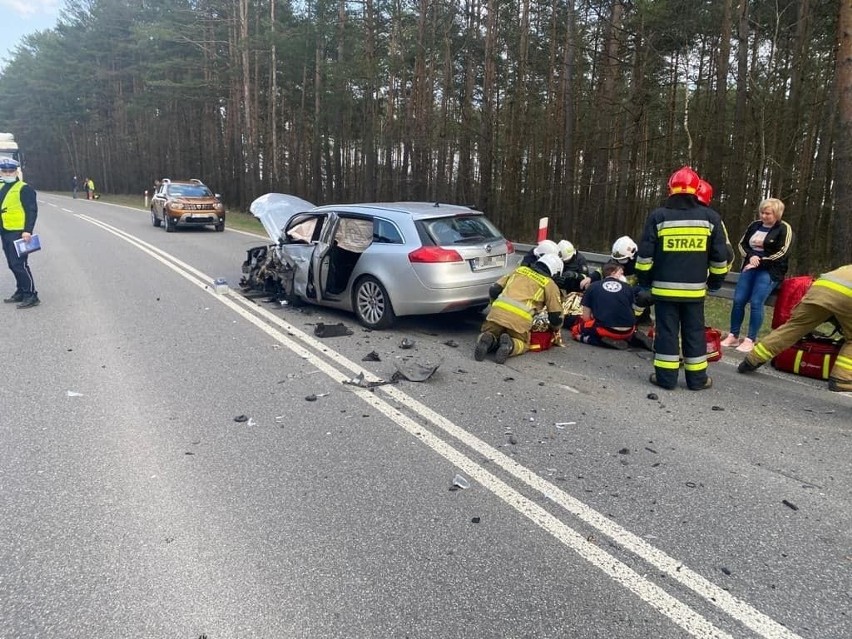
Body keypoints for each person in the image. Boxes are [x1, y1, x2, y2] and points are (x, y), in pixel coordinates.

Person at [635, 166, 729, 390]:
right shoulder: (710, 218)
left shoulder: (658, 217)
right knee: (694, 334)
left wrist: (645, 282)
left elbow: (644, 256)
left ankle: (666, 379)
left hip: (664, 291)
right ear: (696, 189)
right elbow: (720, 258)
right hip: (695, 292)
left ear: (670, 189)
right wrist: (714, 283)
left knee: (666, 333)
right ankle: (697, 380)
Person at [738, 264, 851, 392]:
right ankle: (842, 380)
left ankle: (752, 360)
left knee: (794, 328)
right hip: (847, 297)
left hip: (819, 289)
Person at [720, 198, 793, 353]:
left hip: (770, 269)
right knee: (739, 300)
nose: (764, 216)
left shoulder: (784, 228)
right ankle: (733, 335)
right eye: (762, 212)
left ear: (777, 214)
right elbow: (742, 244)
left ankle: (750, 339)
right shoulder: (754, 226)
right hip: (749, 266)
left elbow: (782, 252)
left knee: (756, 302)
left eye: (768, 213)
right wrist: (751, 256)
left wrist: (760, 261)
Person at [474, 254, 564, 364]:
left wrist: (494, 306)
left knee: (490, 331)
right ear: (555, 271)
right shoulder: (549, 284)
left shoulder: (519, 270)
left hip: (497, 314)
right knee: (523, 343)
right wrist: (555, 329)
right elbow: (556, 316)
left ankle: (488, 340)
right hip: (519, 321)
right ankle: (510, 345)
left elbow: (494, 289)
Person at [0, 158, 40, 308]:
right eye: (5, 171)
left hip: (19, 233)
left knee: (19, 264)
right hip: (5, 231)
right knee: (12, 264)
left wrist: (27, 230)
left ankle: (31, 294)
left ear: (16, 171)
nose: (8, 173)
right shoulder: (1, 186)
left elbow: (31, 211)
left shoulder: (24, 188)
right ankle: (21, 291)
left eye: (11, 171)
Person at [571, 262, 638, 349]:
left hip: (607, 330)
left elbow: (586, 318)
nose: (623, 275)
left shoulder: (593, 286)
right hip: (629, 330)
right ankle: (630, 339)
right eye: (621, 273)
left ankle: (597, 340)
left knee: (575, 330)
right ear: (613, 272)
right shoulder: (628, 287)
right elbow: (631, 311)